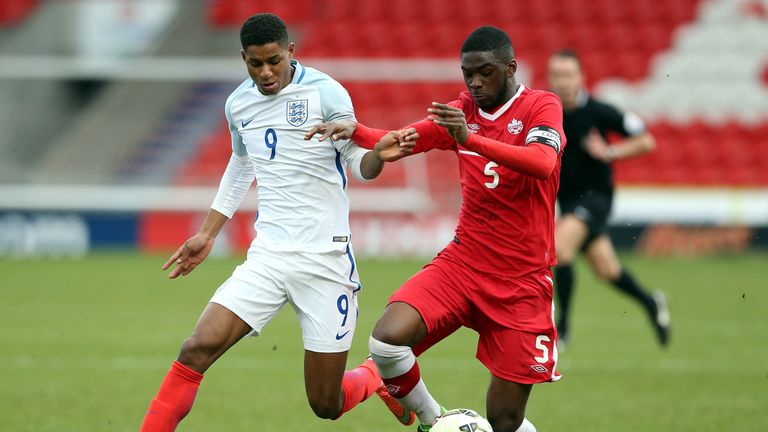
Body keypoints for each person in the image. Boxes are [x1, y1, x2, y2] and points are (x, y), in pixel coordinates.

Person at [139, 13, 418, 431]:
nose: (266, 73)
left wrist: (378, 153)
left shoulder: (326, 93)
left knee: (326, 404)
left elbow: (358, 164)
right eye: (255, 64)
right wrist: (208, 232)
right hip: (267, 257)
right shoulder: (239, 104)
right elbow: (241, 163)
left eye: (274, 60)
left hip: (325, 261)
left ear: (291, 51)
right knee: (196, 349)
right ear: (243, 59)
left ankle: (374, 376)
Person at [308, 25, 565, 432]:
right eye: (468, 74)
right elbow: (403, 139)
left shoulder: (541, 105)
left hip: (522, 281)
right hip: (463, 264)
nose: (475, 83)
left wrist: (469, 139)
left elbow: (542, 162)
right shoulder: (461, 111)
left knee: (505, 420)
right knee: (387, 339)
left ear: (511, 67)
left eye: (486, 72)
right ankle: (433, 421)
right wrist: (354, 131)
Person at [547, 49, 670, 348]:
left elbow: (646, 140)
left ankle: (561, 331)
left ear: (581, 78)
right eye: (557, 75)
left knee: (560, 249)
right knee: (607, 270)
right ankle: (651, 303)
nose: (562, 81)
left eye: (568, 74)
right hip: (569, 201)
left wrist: (610, 152)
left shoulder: (600, 112)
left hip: (596, 199)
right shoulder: (547, 113)